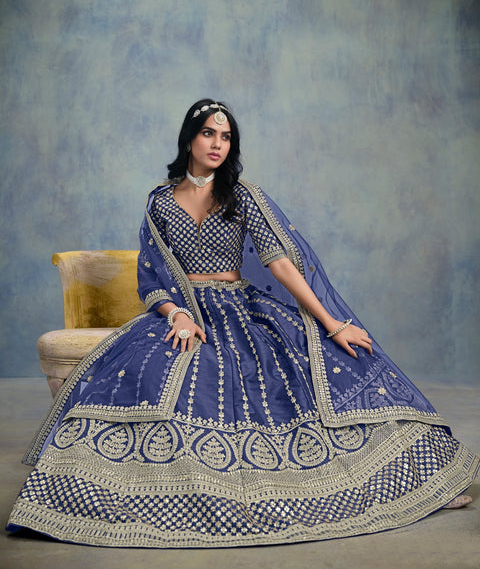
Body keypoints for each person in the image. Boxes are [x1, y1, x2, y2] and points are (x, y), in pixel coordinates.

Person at [7, 99, 479, 548]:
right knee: (149, 375)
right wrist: (178, 314)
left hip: (241, 307)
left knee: (300, 373)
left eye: (226, 136)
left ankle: (421, 481)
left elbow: (280, 265)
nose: (217, 143)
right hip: (184, 313)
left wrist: (333, 323)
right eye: (208, 133)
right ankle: (122, 492)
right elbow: (150, 277)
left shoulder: (241, 195)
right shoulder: (159, 202)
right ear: (189, 139)